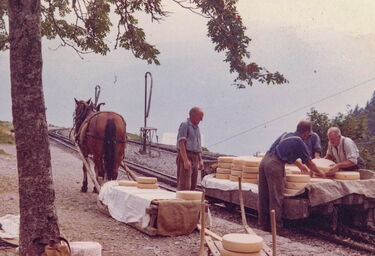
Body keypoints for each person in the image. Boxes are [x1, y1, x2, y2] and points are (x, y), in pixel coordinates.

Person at [258, 120, 325, 232]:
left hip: (264, 162)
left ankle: (264, 226)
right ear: (306, 132)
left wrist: (299, 165)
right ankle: (276, 229)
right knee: (276, 197)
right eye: (309, 134)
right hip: (274, 165)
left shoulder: (286, 135)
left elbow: (283, 151)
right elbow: (310, 163)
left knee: (264, 196)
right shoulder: (299, 142)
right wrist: (322, 173)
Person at [176, 107, 204, 191]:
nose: (202, 119)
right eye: (200, 116)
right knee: (185, 184)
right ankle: (182, 203)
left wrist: (200, 160)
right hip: (186, 155)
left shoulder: (197, 128)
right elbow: (181, 143)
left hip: (195, 156)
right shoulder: (185, 125)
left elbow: (197, 145)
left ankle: (190, 202)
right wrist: (185, 160)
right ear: (193, 115)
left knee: (193, 184)